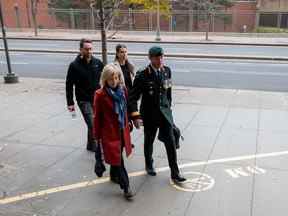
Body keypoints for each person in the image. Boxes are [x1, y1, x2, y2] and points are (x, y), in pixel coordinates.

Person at [128, 46, 186, 184]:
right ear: (150, 58)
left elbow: (168, 91)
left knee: (171, 142)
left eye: (161, 57)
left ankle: (175, 172)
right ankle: (149, 163)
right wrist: (136, 116)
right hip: (149, 115)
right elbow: (133, 98)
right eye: (156, 57)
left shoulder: (167, 71)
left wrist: (168, 107)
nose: (160, 60)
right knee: (149, 140)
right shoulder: (142, 75)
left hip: (164, 115)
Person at [93, 64, 134, 200]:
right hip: (109, 133)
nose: (114, 81)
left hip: (122, 131)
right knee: (119, 160)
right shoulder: (100, 95)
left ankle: (113, 175)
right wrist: (96, 137)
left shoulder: (123, 90)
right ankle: (126, 187)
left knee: (117, 156)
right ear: (105, 79)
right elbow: (97, 117)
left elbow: (126, 108)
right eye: (111, 79)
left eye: (116, 78)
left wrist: (130, 121)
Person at [66, 38, 104, 152]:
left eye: (91, 49)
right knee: (92, 124)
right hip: (83, 100)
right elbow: (69, 84)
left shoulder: (97, 63)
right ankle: (99, 148)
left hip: (97, 99)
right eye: (87, 49)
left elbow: (104, 79)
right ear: (81, 49)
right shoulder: (74, 65)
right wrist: (70, 103)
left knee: (94, 122)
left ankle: (90, 145)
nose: (89, 51)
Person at [111, 44, 135, 182]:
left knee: (127, 127)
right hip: (121, 102)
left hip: (130, 101)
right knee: (121, 133)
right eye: (121, 52)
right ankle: (116, 173)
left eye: (126, 52)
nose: (124, 54)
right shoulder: (114, 67)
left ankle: (124, 141)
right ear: (117, 53)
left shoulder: (129, 65)